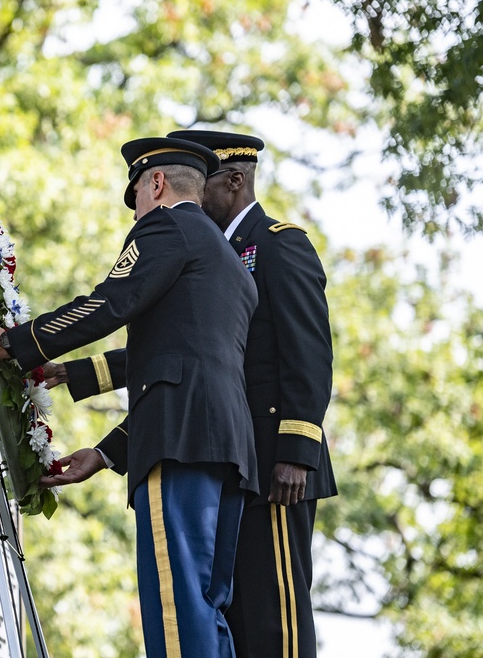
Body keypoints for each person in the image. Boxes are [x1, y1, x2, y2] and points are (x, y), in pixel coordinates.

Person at [43, 130, 337, 658]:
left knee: (275, 616)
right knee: (229, 612)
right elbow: (183, 361)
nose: (195, 194)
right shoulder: (213, 255)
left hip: (273, 457)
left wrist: (296, 451)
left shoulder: (277, 243)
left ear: (234, 180)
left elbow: (308, 353)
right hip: (225, 445)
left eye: (207, 184)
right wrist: (87, 395)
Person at [0, 136, 259, 658]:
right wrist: (105, 454)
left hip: (179, 446)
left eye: (137, 196)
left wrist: (12, 343)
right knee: (208, 609)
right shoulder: (230, 262)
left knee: (177, 610)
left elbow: (108, 304)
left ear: (156, 183)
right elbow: (179, 363)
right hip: (227, 447)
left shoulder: (166, 226)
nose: (137, 211)